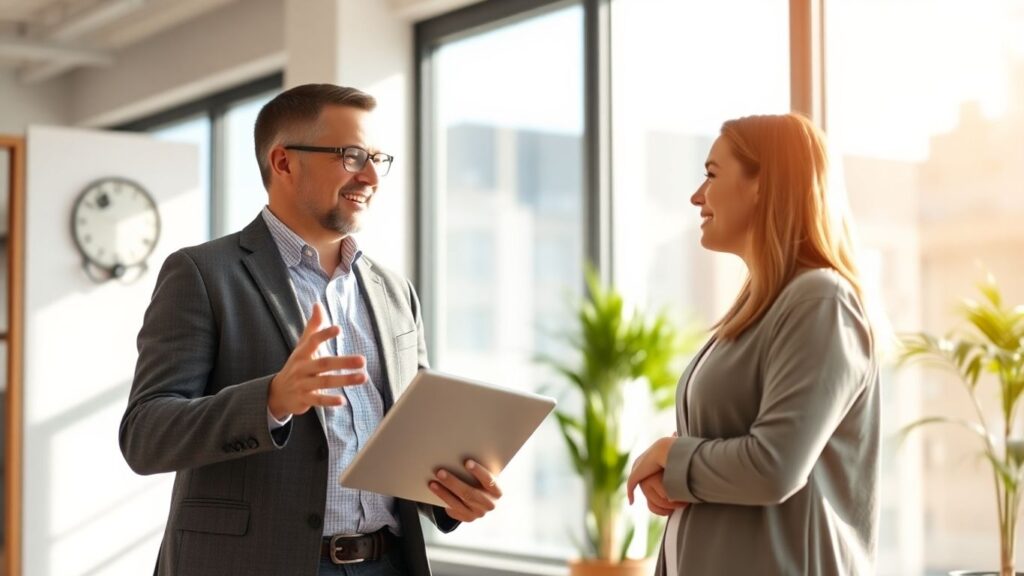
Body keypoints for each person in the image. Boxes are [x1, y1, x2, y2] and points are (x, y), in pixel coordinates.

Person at [119, 84, 503, 576]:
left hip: (386, 564)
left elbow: (412, 435)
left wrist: (453, 496)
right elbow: (145, 435)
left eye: (378, 158)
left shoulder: (393, 289)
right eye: (351, 156)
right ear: (283, 162)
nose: (370, 176)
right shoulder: (202, 273)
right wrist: (272, 400)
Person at [625, 113, 880, 575]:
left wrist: (670, 455)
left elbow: (774, 466)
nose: (696, 195)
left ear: (764, 184)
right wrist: (673, 474)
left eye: (711, 174)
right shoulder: (760, 308)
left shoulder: (820, 298)